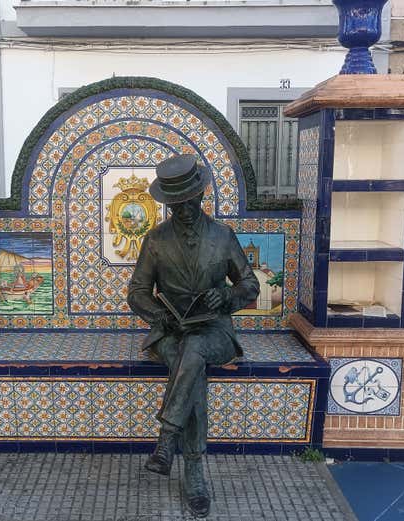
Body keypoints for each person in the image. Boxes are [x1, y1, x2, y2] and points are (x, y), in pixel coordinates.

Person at [127, 153, 260, 518]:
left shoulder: (222, 236)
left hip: (214, 330)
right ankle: (195, 471)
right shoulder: (155, 240)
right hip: (170, 332)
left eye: (189, 202)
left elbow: (250, 284)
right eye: (175, 205)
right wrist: (158, 315)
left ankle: (167, 441)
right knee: (191, 363)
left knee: (197, 348)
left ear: (201, 195)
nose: (183, 210)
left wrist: (229, 295)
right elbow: (137, 292)